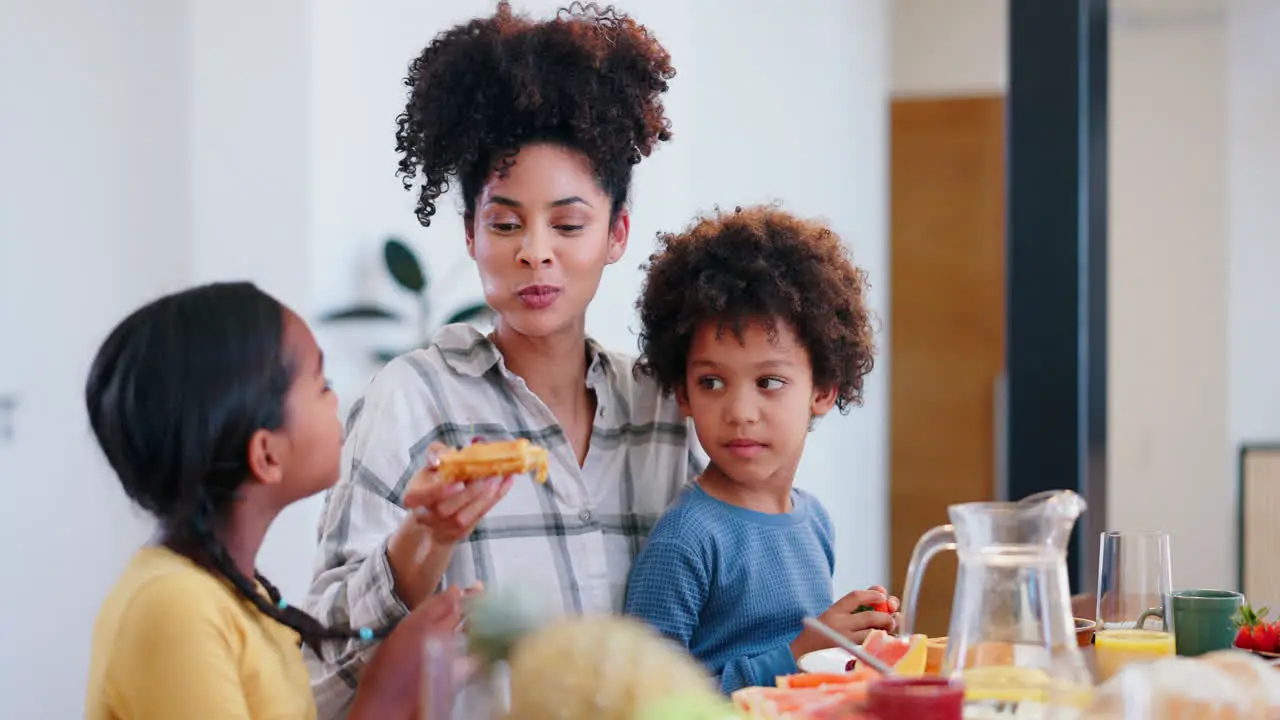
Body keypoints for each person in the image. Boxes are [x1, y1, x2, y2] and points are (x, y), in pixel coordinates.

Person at [302, 3, 699, 716]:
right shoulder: (415, 401)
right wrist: (418, 543)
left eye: (569, 223)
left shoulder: (664, 412)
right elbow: (321, 671)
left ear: (617, 233)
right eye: (505, 222)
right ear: (469, 234)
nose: (534, 251)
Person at [83, 282, 464, 720]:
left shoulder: (246, 596)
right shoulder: (174, 609)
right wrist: (384, 696)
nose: (337, 399)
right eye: (323, 384)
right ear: (267, 454)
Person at [622, 205, 900, 693]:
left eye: (769, 381)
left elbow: (809, 673)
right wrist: (802, 651)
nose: (740, 412)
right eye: (712, 382)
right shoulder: (686, 540)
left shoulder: (815, 522)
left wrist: (852, 640)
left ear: (823, 389)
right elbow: (647, 700)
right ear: (682, 394)